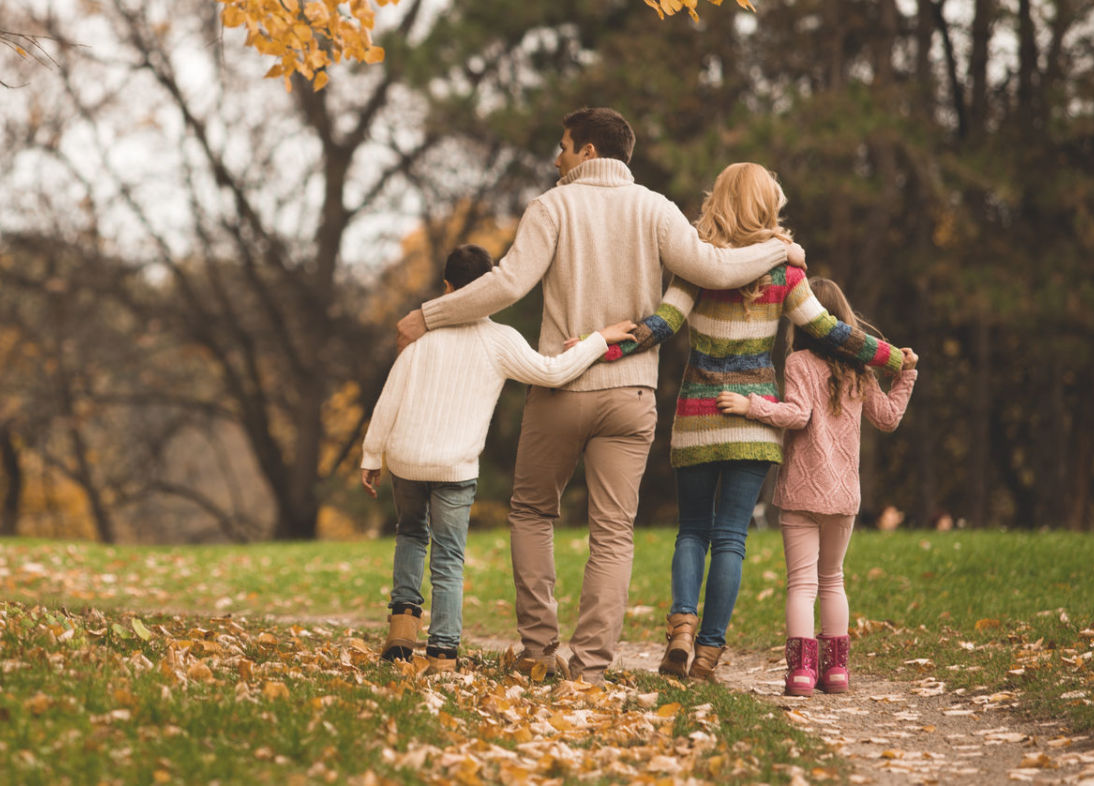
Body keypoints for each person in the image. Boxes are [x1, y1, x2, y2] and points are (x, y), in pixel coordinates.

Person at [394, 108, 804, 681]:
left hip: (561, 386)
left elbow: (508, 284)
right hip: (631, 393)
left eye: (562, 146)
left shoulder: (551, 206)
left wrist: (428, 315)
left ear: (588, 151)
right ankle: (591, 667)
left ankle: (539, 652)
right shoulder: (656, 209)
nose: (555, 158)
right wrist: (780, 251)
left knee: (532, 512)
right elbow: (712, 267)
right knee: (613, 532)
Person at [582, 162, 908, 682]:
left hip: (698, 413)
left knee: (692, 530)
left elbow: (662, 325)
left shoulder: (695, 265)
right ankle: (709, 652)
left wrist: (602, 347)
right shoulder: (785, 274)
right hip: (754, 422)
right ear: (766, 207)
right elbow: (828, 331)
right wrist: (888, 357)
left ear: (720, 200)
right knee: (731, 537)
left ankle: (682, 629)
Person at [362, 244, 637, 674]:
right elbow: (553, 372)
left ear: (447, 288)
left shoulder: (423, 336)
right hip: (454, 467)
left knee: (411, 535)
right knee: (449, 556)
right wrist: (598, 340)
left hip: (406, 460)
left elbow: (390, 396)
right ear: (491, 289)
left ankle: (401, 632)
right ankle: (442, 655)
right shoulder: (500, 341)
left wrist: (371, 453)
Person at [717, 277, 919, 695]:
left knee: (802, 584)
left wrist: (750, 405)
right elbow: (888, 418)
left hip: (801, 493)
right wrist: (907, 377)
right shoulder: (860, 369)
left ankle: (803, 673)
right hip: (843, 494)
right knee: (833, 579)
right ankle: (838, 672)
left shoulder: (798, 363)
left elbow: (797, 415)